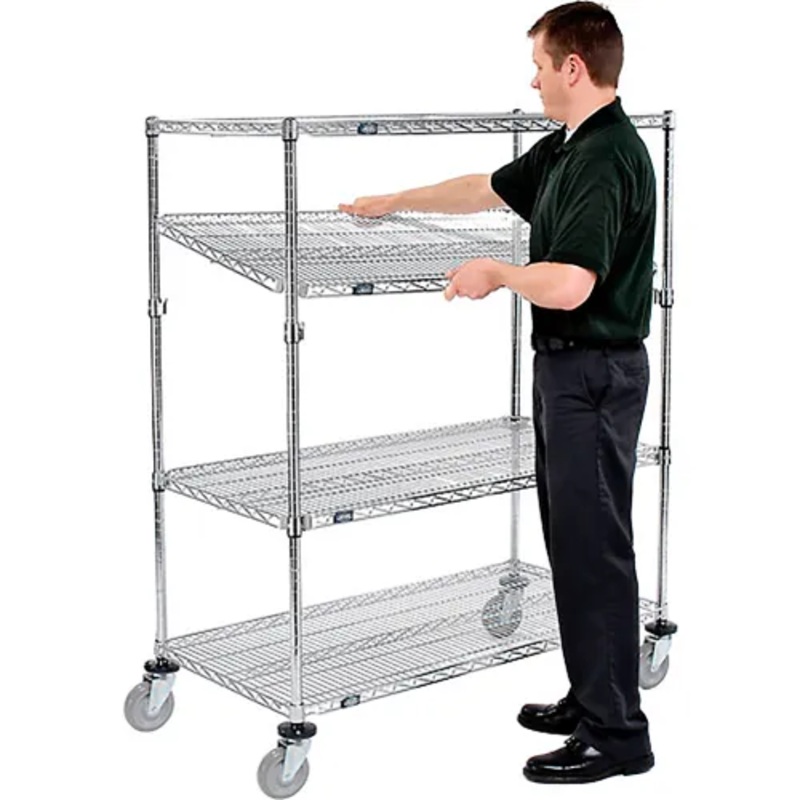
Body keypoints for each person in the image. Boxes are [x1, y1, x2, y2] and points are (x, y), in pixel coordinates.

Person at [339, 1, 657, 786]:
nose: (534, 80)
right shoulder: (570, 145)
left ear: (573, 67)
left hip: (594, 373)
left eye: (540, 66)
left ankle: (618, 736)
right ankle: (593, 697)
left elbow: (572, 282)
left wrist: (498, 273)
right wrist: (396, 199)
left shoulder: (605, 157)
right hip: (570, 372)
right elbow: (483, 188)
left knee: (595, 552)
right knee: (574, 546)